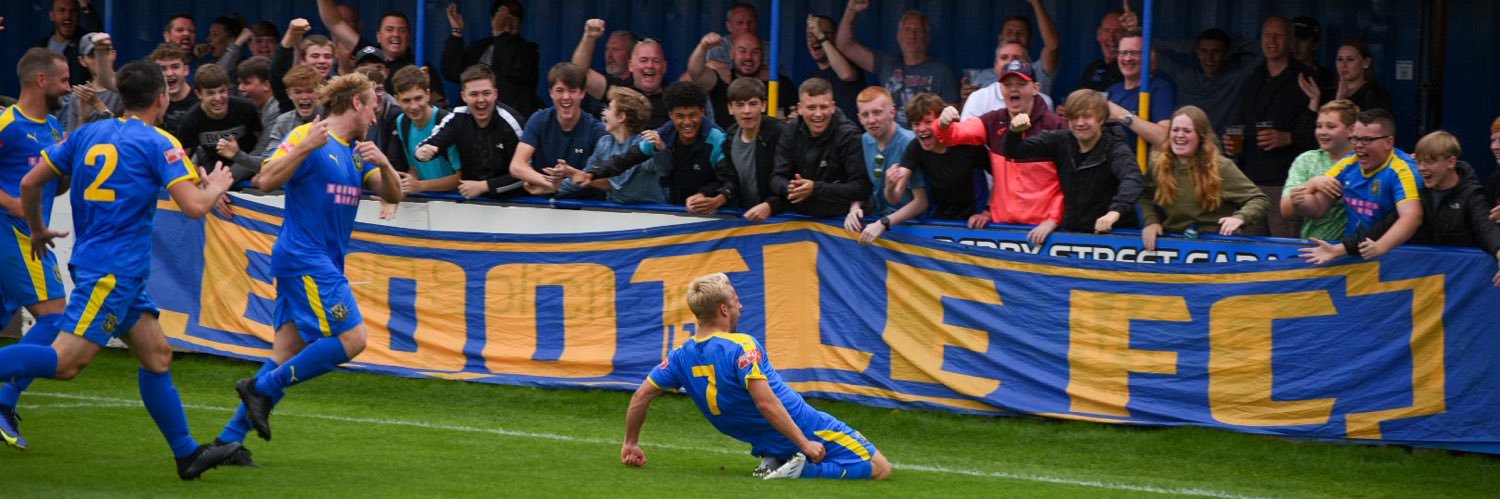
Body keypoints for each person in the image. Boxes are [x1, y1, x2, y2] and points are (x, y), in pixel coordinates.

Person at [0, 59, 241, 479]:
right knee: (66, 363)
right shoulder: (159, 142)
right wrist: (217, 185)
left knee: (158, 357)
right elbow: (193, 207)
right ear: (162, 98)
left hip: (107, 266)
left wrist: (37, 229)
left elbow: (29, 183)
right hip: (113, 271)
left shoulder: (87, 133)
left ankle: (187, 455)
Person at [231, 71, 404, 454]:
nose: (376, 117)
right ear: (357, 103)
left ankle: (228, 442)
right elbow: (264, 179)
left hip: (318, 262)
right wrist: (305, 146)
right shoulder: (308, 135)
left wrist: (386, 165)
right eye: (373, 107)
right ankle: (262, 388)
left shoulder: (358, 152)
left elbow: (393, 193)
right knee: (353, 340)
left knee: (284, 352)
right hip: (304, 258)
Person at [621, 273, 892, 480]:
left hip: (765, 437)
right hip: (804, 425)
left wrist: (631, 443)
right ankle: (798, 470)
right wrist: (805, 444)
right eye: (737, 301)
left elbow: (641, 395)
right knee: (880, 468)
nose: (741, 306)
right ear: (724, 310)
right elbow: (766, 403)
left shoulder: (680, 355)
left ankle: (776, 457)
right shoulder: (741, 345)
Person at [1302, 131, 1500, 288]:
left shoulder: (1473, 195)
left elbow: (1488, 231)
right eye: (1419, 162)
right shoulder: (1420, 192)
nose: (1421, 169)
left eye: (1429, 162)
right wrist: (1337, 250)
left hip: (1467, 284)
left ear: (1450, 162)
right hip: (1425, 282)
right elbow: (1382, 229)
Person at [0, 49, 72, 451]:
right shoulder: (7, 124)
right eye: (63, 79)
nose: (69, 86)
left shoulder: (55, 128)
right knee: (55, 318)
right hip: (12, 234)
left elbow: (55, 181)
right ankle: (4, 401)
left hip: (33, 236)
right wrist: (11, 202)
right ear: (41, 80)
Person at [939, 61, 1068, 243]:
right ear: (1000, 90)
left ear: (1035, 88)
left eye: (1021, 84)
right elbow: (953, 136)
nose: (1013, 90)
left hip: (1043, 232)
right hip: (1001, 229)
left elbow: (1070, 181)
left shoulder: (1056, 126)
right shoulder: (993, 121)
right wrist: (943, 124)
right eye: (1007, 85)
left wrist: (1054, 220)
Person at [1002, 89, 1145, 234]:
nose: (1080, 123)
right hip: (1072, 234)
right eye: (1074, 117)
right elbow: (1014, 151)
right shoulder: (1060, 140)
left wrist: (1114, 213)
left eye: (1087, 117)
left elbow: (1133, 179)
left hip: (1115, 234)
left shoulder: (1116, 148)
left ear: (1101, 119)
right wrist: (1014, 131)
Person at [1133, 106, 1269, 250]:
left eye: (1187, 131)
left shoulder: (1221, 167)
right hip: (1174, 242)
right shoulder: (1158, 164)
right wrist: (1151, 221)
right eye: (1175, 130)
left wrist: (1240, 217)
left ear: (1201, 136)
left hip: (1217, 244)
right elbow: (1143, 194)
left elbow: (1259, 199)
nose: (1179, 135)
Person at [570, 82, 725, 206]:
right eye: (680, 116)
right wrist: (592, 174)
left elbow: (729, 180)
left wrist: (708, 195)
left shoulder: (717, 138)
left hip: (717, 213)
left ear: (703, 112)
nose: (687, 122)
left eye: (693, 115)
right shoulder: (662, 134)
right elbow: (625, 160)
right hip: (678, 212)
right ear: (670, 115)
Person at [1232, 16, 1317, 238]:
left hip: (1286, 184)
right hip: (1250, 184)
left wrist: (1288, 137)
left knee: (1284, 253)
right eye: (1267, 35)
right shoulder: (1252, 77)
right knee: (1250, 253)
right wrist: (1234, 144)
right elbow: (1242, 123)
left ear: (1290, 41)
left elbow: (1322, 134)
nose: (1272, 40)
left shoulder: (1305, 78)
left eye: (1278, 35)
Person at [1296, 109, 1424, 258]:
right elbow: (1317, 209)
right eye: (1355, 138)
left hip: (1395, 256)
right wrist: (1303, 194)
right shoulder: (1348, 163)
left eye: (1367, 140)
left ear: (1388, 142)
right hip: (1354, 251)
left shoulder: (1402, 170)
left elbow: (1412, 217)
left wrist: (1380, 247)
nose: (1358, 145)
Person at [760, 78, 869, 221]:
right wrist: (793, 189)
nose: (818, 114)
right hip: (799, 220)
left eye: (823, 107)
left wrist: (815, 189)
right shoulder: (790, 131)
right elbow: (776, 178)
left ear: (833, 107)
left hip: (840, 221)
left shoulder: (848, 135)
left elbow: (861, 188)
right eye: (811, 108)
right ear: (799, 109)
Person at [836, 0, 959, 126]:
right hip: (891, 140)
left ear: (927, 37)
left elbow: (952, 118)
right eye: (907, 30)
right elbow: (845, 45)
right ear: (899, 36)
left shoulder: (942, 71)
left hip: (924, 140)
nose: (912, 35)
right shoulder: (886, 63)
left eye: (918, 30)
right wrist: (851, 10)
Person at [415, 65, 527, 199]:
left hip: (515, 204)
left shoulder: (511, 122)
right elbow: (431, 143)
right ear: (464, 96)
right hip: (472, 206)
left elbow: (526, 174)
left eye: (486, 93)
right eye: (474, 94)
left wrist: (485, 186)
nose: (481, 100)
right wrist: (422, 151)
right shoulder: (456, 118)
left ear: (495, 94)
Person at [505, 63, 607, 196]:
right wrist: (550, 184)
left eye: (572, 91)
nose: (566, 97)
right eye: (560, 90)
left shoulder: (596, 130)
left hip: (587, 209)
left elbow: (608, 182)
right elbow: (516, 166)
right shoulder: (539, 120)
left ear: (582, 93)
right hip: (545, 207)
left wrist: (572, 176)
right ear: (551, 93)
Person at [886, 93, 988, 227]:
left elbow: (1000, 176)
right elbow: (895, 197)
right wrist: (890, 186)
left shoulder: (967, 142)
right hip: (940, 222)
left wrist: (987, 211)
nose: (922, 129)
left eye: (928, 122)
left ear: (941, 121)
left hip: (975, 222)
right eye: (916, 124)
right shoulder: (915, 147)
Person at [1139, 26, 1259, 135]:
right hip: (1186, 152)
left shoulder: (1236, 79)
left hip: (1220, 155)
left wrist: (1235, 47)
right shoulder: (1184, 75)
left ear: (1226, 54)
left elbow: (1266, 52)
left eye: (1216, 51)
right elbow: (1149, 46)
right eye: (1204, 51)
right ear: (1197, 52)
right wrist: (1189, 46)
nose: (1209, 58)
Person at [697, 78, 786, 215]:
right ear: (730, 108)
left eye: (753, 104)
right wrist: (707, 195)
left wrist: (770, 206)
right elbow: (728, 180)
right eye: (740, 105)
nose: (746, 111)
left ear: (763, 106)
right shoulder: (729, 137)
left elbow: (787, 180)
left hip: (780, 218)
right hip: (744, 218)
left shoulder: (780, 134)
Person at [316, 0, 440, 94]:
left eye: (402, 30)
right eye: (389, 29)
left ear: (409, 36)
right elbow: (335, 23)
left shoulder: (420, 66)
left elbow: (436, 103)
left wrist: (425, 86)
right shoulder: (367, 53)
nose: (395, 35)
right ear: (379, 36)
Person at [441, 1, 542, 116]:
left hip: (510, 119)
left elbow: (513, 69)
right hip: (474, 117)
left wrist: (500, 34)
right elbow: (452, 72)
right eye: (504, 19)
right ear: (492, 20)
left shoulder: (529, 51)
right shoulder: (481, 47)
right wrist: (457, 32)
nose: (509, 23)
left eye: (515, 19)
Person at [561, 86, 655, 203]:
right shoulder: (603, 144)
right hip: (613, 213)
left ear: (621, 117)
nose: (604, 113)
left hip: (651, 214)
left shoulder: (645, 145)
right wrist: (552, 187)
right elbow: (583, 176)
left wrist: (580, 177)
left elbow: (619, 182)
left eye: (609, 108)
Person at [573, 20, 673, 129]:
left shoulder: (673, 98)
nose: (650, 65)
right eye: (644, 60)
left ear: (664, 67)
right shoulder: (619, 91)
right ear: (631, 65)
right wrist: (589, 37)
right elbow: (579, 74)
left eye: (656, 61)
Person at [684, 32, 794, 129]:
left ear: (762, 55)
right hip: (727, 149)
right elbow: (696, 73)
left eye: (755, 52)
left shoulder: (780, 84)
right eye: (742, 51)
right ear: (732, 54)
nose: (748, 57)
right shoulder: (723, 78)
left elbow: (794, 114)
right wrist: (703, 47)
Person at [1282, 99, 1356, 242]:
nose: (1322, 132)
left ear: (1351, 130)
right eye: (1319, 126)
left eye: (1330, 126)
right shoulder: (1307, 160)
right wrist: (1312, 184)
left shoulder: (1365, 159)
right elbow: (1286, 211)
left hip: (1358, 249)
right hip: (1314, 249)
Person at [848, 86, 920, 233]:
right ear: (859, 118)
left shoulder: (910, 142)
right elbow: (865, 184)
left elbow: (921, 202)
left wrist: (884, 223)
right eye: (865, 115)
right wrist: (854, 207)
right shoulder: (865, 140)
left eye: (877, 113)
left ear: (892, 113)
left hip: (912, 228)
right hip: (878, 222)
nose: (871, 120)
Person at [176, 64, 263, 183]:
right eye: (210, 93)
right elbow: (182, 160)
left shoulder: (246, 108)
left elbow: (262, 144)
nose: (218, 98)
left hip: (249, 172)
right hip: (214, 173)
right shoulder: (190, 120)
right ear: (199, 94)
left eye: (222, 91)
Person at [385, 66, 460, 194]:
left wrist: (421, 186)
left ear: (428, 94)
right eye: (406, 100)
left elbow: (461, 177)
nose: (413, 106)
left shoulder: (447, 122)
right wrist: (402, 190)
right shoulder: (402, 122)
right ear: (396, 100)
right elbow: (415, 167)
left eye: (418, 98)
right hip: (426, 202)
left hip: (456, 205)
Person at [965, 0, 1061, 95]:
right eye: (1009, 32)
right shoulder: (984, 76)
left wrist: (1036, 3)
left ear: (1030, 39)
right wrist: (966, 98)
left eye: (1021, 33)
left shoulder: (1037, 70)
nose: (1015, 36)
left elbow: (1052, 46)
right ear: (1000, 38)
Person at [1107, 31, 1177, 150]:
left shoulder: (1159, 88)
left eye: (1135, 53)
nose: (1128, 58)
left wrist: (1122, 115)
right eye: (1123, 53)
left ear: (1148, 56)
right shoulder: (1113, 90)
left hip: (1141, 167)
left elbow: (1165, 138)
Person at [961, 43, 1054, 119]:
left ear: (1029, 65)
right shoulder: (978, 98)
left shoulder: (1045, 102)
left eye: (1017, 58)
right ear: (996, 66)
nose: (1010, 62)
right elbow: (965, 137)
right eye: (1004, 58)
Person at [257, 65, 323, 163]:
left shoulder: (333, 116)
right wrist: (237, 155)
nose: (304, 97)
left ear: (320, 91)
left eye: (310, 91)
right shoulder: (283, 122)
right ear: (289, 94)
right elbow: (268, 162)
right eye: (298, 92)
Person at [804, 15, 864, 122]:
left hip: (849, 136)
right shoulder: (811, 77)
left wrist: (821, 37)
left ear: (835, 37)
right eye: (810, 35)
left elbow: (846, 74)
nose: (815, 40)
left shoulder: (849, 64)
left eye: (824, 33)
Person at [59, 32, 122, 133]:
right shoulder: (78, 95)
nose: (99, 59)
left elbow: (129, 135)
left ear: (113, 54)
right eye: (92, 55)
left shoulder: (127, 87)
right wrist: (83, 118)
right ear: (82, 61)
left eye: (104, 52)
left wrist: (97, 104)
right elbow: (72, 144)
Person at [34, 0, 103, 85]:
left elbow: (98, 38)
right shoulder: (40, 48)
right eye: (61, 10)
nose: (67, 16)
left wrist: (86, 7)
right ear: (52, 16)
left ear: (79, 16)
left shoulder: (85, 45)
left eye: (72, 11)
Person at [1326, 40, 1391, 113]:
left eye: (1350, 59)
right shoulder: (1328, 94)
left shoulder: (1376, 95)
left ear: (1366, 63)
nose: (1343, 65)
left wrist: (1340, 100)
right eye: (1340, 59)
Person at [150, 44, 198, 136]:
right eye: (163, 69)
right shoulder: (151, 103)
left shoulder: (200, 99)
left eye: (175, 67)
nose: (169, 73)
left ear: (186, 70)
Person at [1290, 17, 1336, 103]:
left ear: (1315, 44)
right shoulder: (1277, 74)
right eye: (1291, 38)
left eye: (1302, 39)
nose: (1294, 45)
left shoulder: (1327, 79)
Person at [1079, 10, 1125, 92]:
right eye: (1107, 31)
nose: (1111, 38)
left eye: (1118, 32)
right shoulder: (1092, 69)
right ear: (1099, 34)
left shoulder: (1130, 69)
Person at [237, 57, 280, 131]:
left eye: (246, 83)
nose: (240, 88)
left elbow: (265, 143)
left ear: (266, 85)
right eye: (239, 83)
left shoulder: (276, 111)